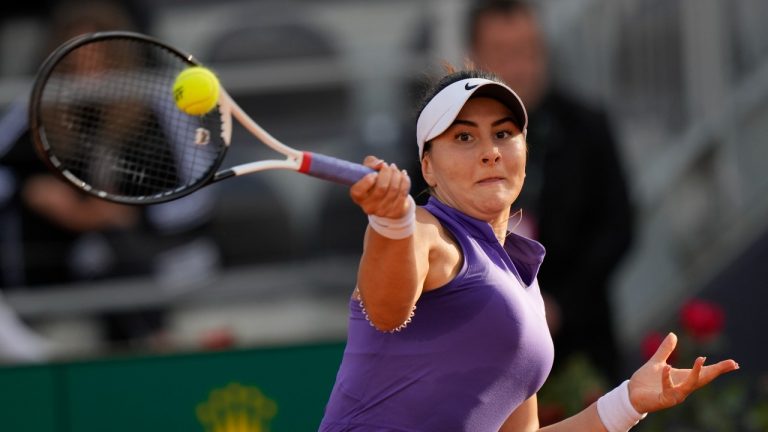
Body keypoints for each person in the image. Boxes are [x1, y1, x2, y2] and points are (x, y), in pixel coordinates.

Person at [318, 67, 738, 431]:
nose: (489, 152)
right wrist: (391, 223)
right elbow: (386, 310)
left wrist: (628, 402)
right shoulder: (427, 230)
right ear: (427, 165)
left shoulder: (523, 287)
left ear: (524, 151)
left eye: (503, 133)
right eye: (464, 137)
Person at [464, 0, 635, 382]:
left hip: (579, 346)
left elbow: (617, 228)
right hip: (480, 353)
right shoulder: (444, 143)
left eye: (529, 51)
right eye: (504, 54)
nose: (520, 68)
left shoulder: (586, 128)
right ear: (474, 58)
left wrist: (559, 305)